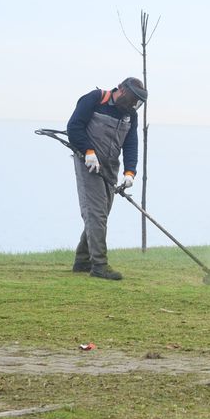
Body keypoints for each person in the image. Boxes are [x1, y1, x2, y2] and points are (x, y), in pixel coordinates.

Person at [66, 77, 147, 280]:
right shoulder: (94, 99)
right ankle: (99, 266)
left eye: (136, 102)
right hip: (88, 164)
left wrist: (130, 172)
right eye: (131, 99)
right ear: (121, 89)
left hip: (110, 167)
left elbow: (131, 144)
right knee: (96, 214)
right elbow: (74, 127)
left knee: (102, 213)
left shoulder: (130, 116)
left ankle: (82, 260)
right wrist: (88, 151)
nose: (132, 105)